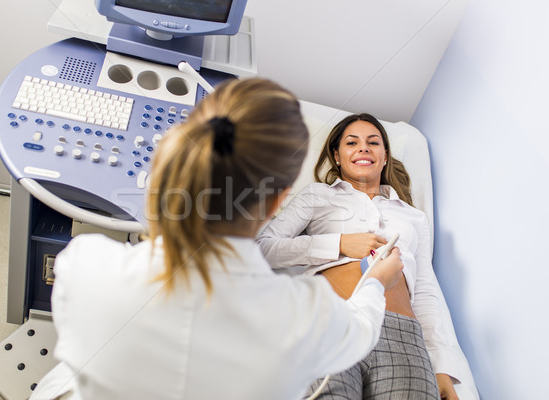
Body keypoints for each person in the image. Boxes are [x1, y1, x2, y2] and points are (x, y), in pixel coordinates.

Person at [30, 81, 405, 400]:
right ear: (279, 198)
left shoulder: (85, 265)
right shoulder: (307, 317)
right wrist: (374, 282)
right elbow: (362, 329)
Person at [257, 113, 475, 400]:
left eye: (373, 142)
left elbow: (425, 293)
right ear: (337, 156)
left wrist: (442, 368)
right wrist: (341, 244)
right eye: (352, 142)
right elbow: (264, 247)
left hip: (402, 335)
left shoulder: (415, 217)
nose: (363, 148)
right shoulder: (317, 196)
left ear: (385, 157)